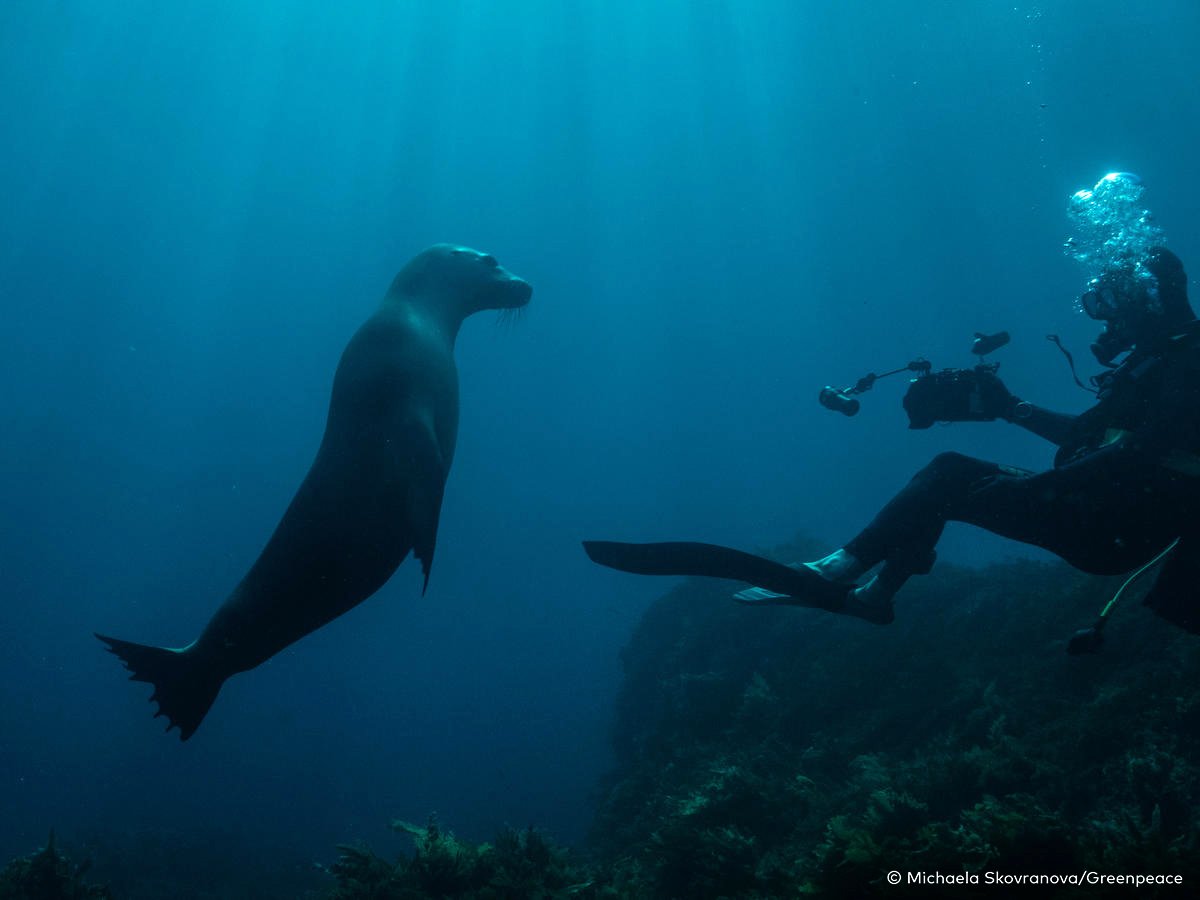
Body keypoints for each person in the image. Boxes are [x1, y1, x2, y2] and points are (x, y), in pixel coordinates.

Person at [585, 244, 1200, 639]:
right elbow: (1094, 437)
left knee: (951, 474)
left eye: (1112, 312)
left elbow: (1139, 452)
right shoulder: (1155, 363)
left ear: (1146, 308)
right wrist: (1009, 409)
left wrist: (1043, 486)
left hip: (1122, 525)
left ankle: (840, 572)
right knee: (951, 476)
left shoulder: (1188, 360)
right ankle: (875, 593)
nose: (1106, 327)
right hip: (1112, 514)